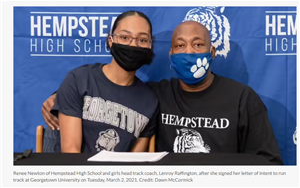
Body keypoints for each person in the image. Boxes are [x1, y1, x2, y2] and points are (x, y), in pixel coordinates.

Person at [43, 21, 283, 164]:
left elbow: (268, 162)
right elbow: (113, 92)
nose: (188, 52)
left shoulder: (242, 98)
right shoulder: (155, 95)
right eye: (180, 46)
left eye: (198, 45)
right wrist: (60, 95)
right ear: (170, 55)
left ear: (212, 52)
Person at [47, 10, 158, 153]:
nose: (133, 45)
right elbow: (71, 152)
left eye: (142, 40)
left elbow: (135, 162)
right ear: (111, 40)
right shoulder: (78, 80)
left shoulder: (150, 101)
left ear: (149, 46)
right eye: (125, 37)